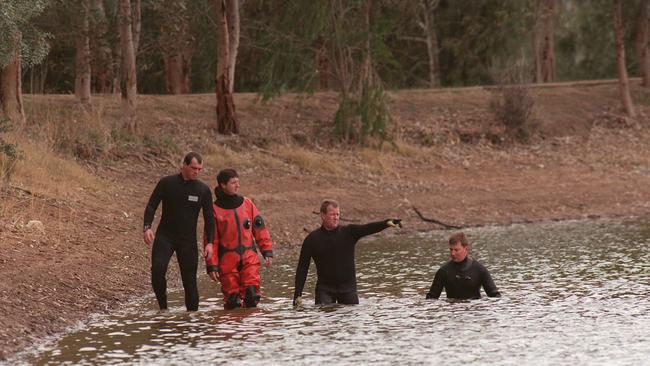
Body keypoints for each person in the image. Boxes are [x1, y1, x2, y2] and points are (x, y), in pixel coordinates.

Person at [293, 199, 402, 306]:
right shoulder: (312, 239)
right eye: (332, 215)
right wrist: (298, 294)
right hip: (325, 289)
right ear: (323, 215)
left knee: (350, 317)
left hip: (348, 288)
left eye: (338, 214)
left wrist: (385, 223)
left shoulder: (348, 232)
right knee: (323, 316)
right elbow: (302, 268)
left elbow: (367, 228)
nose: (336, 217)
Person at [143, 152, 215, 311]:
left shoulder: (202, 190)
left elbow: (209, 218)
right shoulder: (167, 183)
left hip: (187, 240)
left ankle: (192, 319)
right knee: (157, 270)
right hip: (165, 236)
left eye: (199, 169)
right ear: (184, 165)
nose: (196, 172)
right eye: (193, 168)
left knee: (189, 281)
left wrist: (210, 243)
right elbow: (151, 205)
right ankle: (163, 309)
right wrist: (147, 227)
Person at [204, 168, 273, 309]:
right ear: (223, 185)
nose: (238, 185)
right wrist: (212, 265)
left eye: (238, 182)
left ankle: (251, 329)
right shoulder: (214, 210)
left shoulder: (247, 204)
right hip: (227, 260)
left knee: (252, 296)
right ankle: (233, 328)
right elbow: (211, 240)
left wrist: (267, 250)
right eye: (233, 182)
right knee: (232, 301)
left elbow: (259, 228)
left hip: (249, 256)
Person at [426, 232, 501, 300]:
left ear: (466, 249)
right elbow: (431, 298)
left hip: (474, 311)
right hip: (452, 311)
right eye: (451, 250)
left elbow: (495, 296)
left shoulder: (479, 269)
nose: (453, 253)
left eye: (456, 250)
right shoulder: (444, 271)